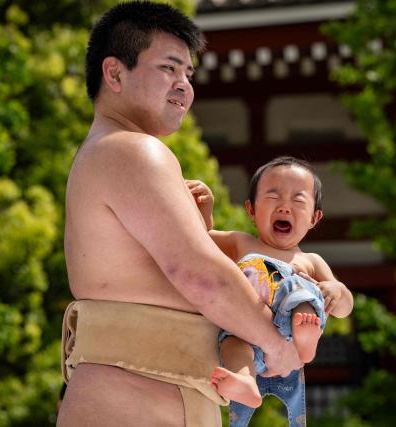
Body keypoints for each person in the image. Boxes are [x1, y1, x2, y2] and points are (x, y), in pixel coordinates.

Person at [56, 3, 303, 426]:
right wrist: (276, 343)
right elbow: (199, 274)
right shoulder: (132, 149)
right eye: (169, 69)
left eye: (189, 74)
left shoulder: (104, 153)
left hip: (132, 391)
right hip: (139, 395)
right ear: (113, 73)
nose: (184, 86)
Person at [187, 156, 354, 426]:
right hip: (247, 329)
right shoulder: (241, 243)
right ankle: (244, 380)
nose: (285, 207)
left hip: (291, 333)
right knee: (232, 341)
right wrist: (205, 210)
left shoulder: (310, 261)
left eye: (298, 200)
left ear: (315, 217)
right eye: (273, 197)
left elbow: (345, 308)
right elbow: (199, 243)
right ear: (251, 210)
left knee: (298, 288)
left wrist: (336, 290)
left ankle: (305, 341)